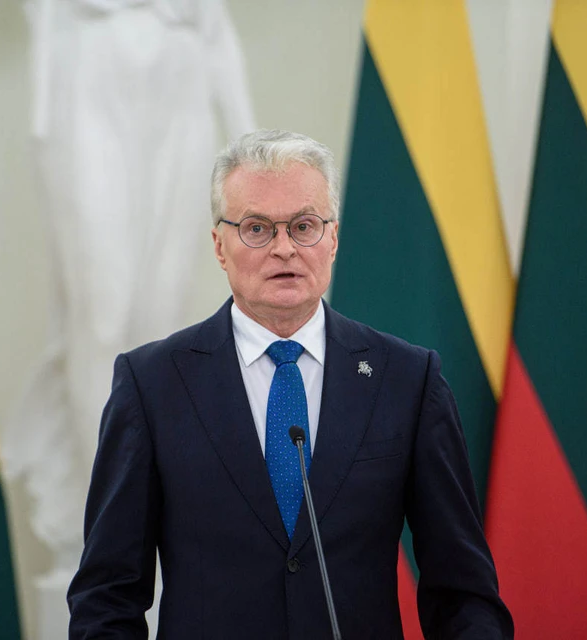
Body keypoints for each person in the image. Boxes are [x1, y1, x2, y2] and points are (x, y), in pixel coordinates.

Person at [68, 130, 514, 639]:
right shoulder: (152, 385)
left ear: (333, 239)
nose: (284, 249)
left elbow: (463, 593)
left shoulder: (407, 380)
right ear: (219, 246)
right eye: (257, 228)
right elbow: (107, 597)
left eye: (304, 226)